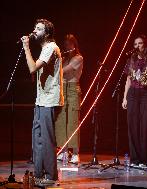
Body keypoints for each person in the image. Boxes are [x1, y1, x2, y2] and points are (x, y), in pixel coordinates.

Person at [21, 18, 64, 182]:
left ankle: (51, 175)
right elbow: (36, 72)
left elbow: (32, 67)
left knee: (46, 139)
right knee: (37, 137)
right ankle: (39, 173)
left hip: (49, 100)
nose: (34, 31)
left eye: (38, 29)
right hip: (41, 99)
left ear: (46, 33)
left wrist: (26, 47)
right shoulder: (45, 48)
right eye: (34, 28)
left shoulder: (51, 47)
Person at [122, 35, 147, 169]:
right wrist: (125, 97)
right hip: (132, 94)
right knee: (133, 127)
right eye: (135, 44)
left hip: (145, 95)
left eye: (140, 43)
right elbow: (128, 80)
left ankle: (145, 160)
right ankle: (135, 159)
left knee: (144, 127)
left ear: (145, 45)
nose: (138, 46)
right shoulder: (131, 60)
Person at [55, 34, 83, 164]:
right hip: (63, 90)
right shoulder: (65, 58)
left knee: (72, 121)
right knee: (61, 121)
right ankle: (64, 150)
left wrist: (55, 65)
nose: (66, 46)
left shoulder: (78, 58)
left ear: (74, 45)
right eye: (65, 44)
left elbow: (66, 70)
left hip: (72, 90)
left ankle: (76, 153)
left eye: (69, 44)